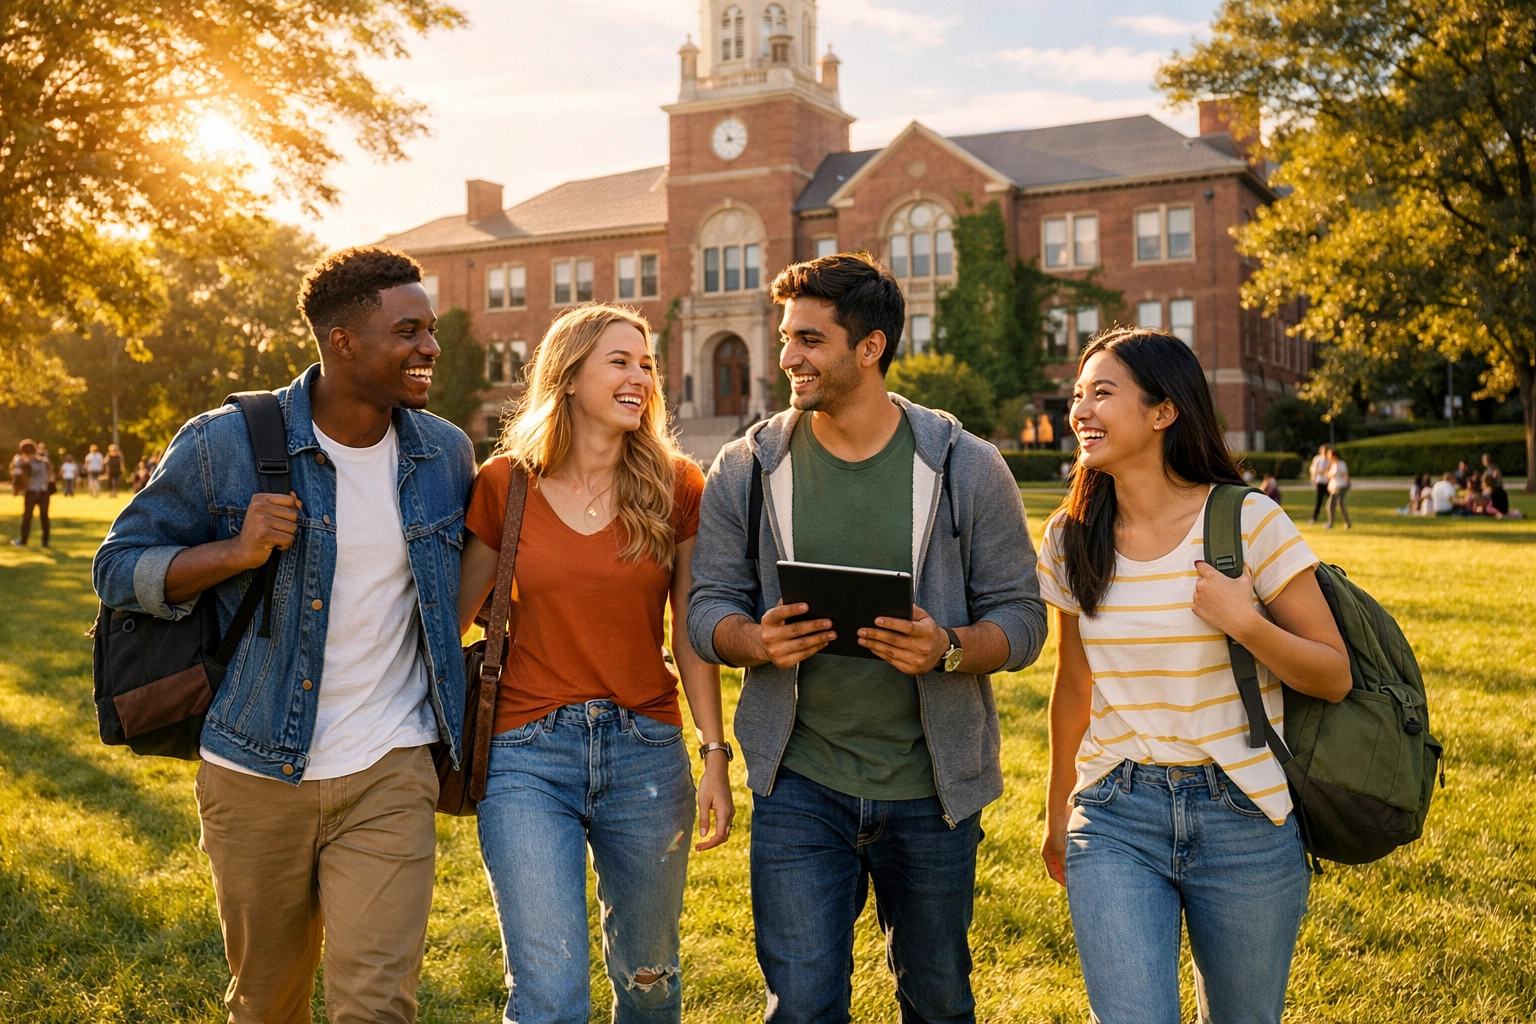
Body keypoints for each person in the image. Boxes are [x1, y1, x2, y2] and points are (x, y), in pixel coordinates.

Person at [93, 246, 474, 1024]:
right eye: (409, 331)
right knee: (267, 1002)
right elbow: (117, 567)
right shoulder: (224, 442)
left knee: (378, 1003)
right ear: (343, 341)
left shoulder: (446, 453)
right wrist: (231, 553)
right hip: (253, 766)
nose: (430, 347)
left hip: (390, 767)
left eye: (429, 330)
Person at [687, 253, 1048, 1022]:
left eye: (810, 340)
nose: (787, 357)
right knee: (803, 1006)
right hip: (799, 788)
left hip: (931, 793)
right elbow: (705, 606)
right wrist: (752, 640)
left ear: (870, 347)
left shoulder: (967, 468)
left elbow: (1024, 621)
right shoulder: (747, 468)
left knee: (939, 999)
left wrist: (948, 646)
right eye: (786, 337)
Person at [1036, 328, 1352, 1024]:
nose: (1080, 410)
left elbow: (1332, 676)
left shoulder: (1248, 521)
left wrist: (1247, 623)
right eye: (1079, 394)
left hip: (1243, 813)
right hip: (1116, 811)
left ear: (1163, 411)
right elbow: (1073, 688)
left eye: (1103, 393)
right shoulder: (1070, 537)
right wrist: (1059, 811)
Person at [456, 304, 733, 1023]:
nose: (639, 376)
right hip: (524, 753)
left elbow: (692, 630)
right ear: (569, 375)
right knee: (548, 996)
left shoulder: (677, 487)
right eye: (619, 361)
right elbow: (448, 621)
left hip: (644, 753)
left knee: (650, 983)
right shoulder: (503, 486)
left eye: (646, 364)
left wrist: (713, 753)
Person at [12, 440, 52, 547]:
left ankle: (23, 540)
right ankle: (45, 541)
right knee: (44, 517)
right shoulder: (44, 461)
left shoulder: (24, 463)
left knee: (27, 517)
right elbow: (49, 476)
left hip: (31, 492)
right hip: (43, 491)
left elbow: (21, 478)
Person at [1325, 447, 1352, 529]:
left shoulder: (1340, 464)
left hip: (1340, 486)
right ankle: (1347, 523)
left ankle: (1331, 523)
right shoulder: (1333, 464)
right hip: (1335, 486)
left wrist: (1347, 483)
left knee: (1330, 505)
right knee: (1340, 504)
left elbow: (1344, 474)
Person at [1307, 444, 1331, 524]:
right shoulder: (1317, 459)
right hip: (1320, 482)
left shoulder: (1329, 459)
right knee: (1318, 501)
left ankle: (1331, 519)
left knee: (1331, 501)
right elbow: (1314, 470)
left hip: (1328, 482)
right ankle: (1313, 518)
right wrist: (1314, 477)